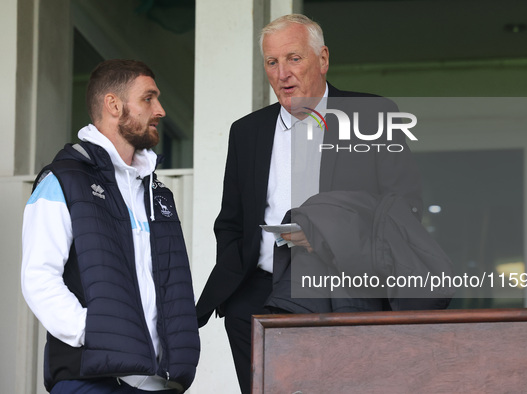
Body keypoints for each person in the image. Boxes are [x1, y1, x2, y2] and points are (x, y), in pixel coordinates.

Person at [196, 14, 427, 393]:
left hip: (347, 288)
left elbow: (405, 210)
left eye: (294, 58)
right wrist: (239, 288)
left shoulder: (373, 115)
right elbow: (231, 221)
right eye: (272, 62)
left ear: (323, 59)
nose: (282, 73)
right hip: (260, 293)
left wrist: (332, 236)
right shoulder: (247, 132)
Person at [21, 59, 200, 394]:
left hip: (161, 383)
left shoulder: (157, 193)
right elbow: (38, 277)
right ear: (114, 105)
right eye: (148, 98)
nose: (160, 110)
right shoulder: (63, 179)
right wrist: (94, 331)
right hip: (91, 381)